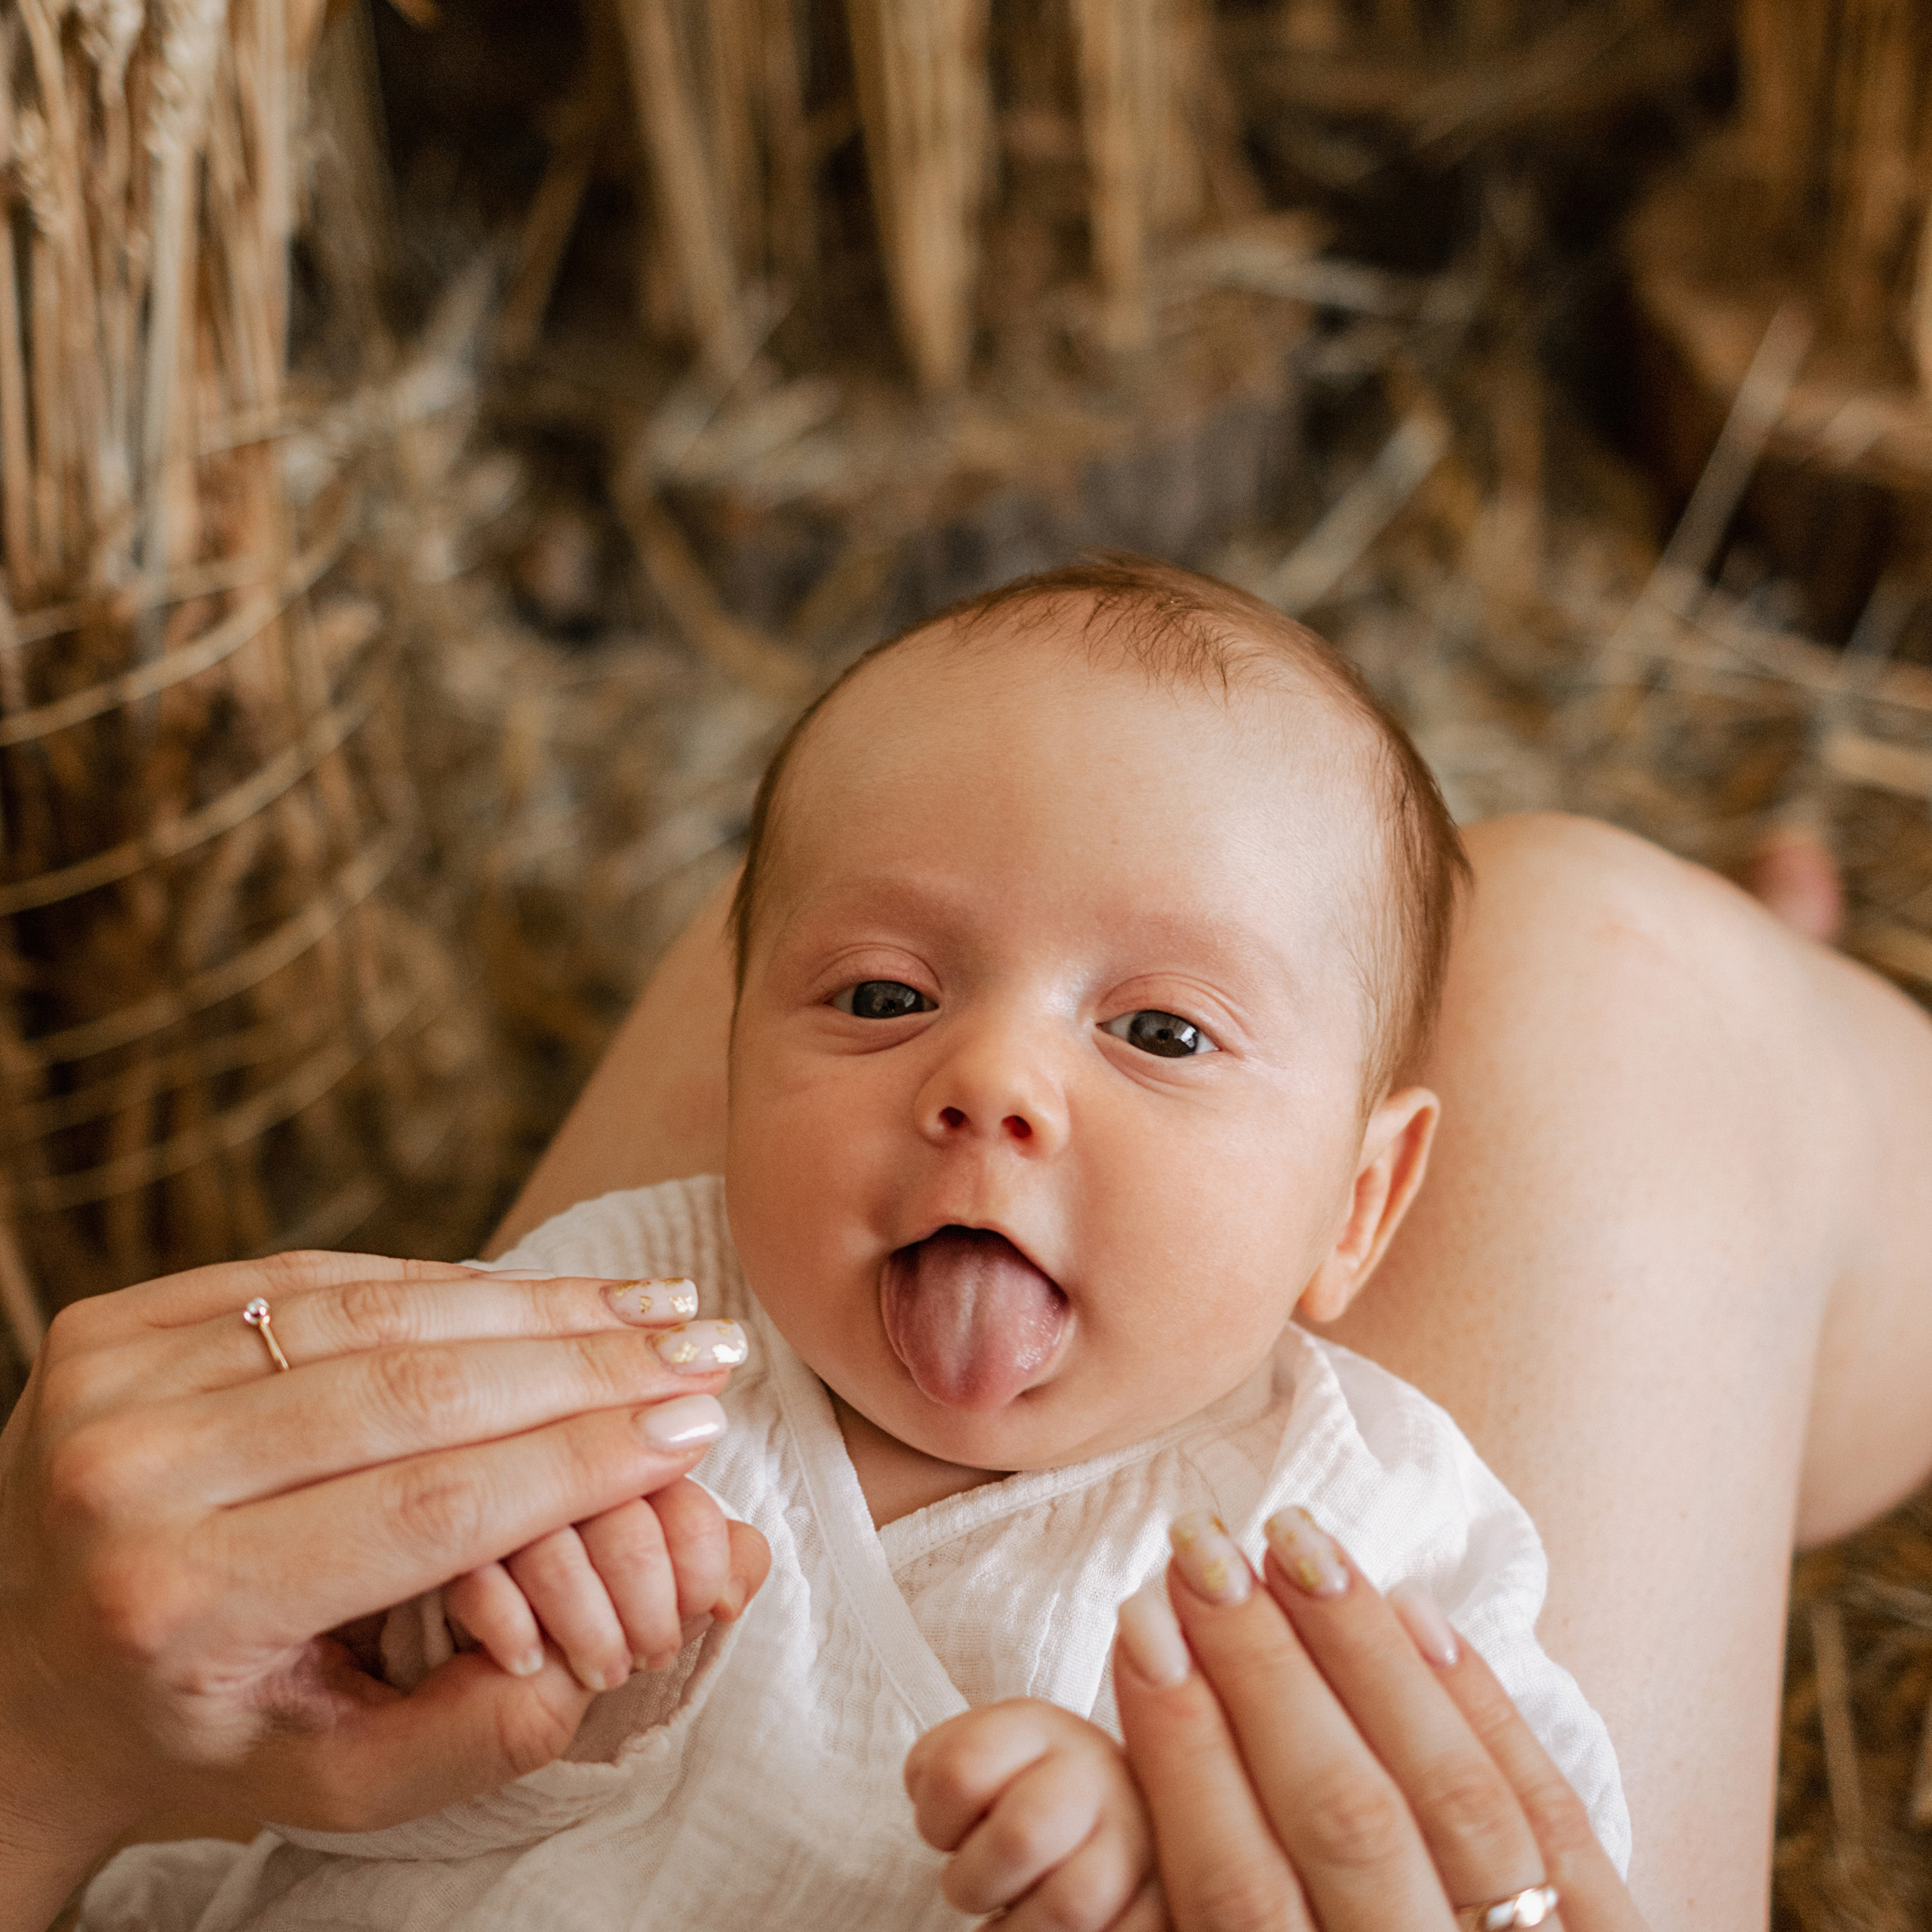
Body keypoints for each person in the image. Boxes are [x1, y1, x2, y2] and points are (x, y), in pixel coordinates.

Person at [3, 569, 1930, 1928]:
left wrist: (1132, 1842)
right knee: (1596, 972)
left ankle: (1758, 991)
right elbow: (390, 1669)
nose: (987, 1077)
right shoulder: (649, 1314)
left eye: (1154, 1031)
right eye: (877, 1000)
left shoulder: (1350, 1520)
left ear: (1359, 1212)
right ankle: (1761, 1009)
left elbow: (1501, 1819)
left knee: (1483, 941)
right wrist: (476, 1599)